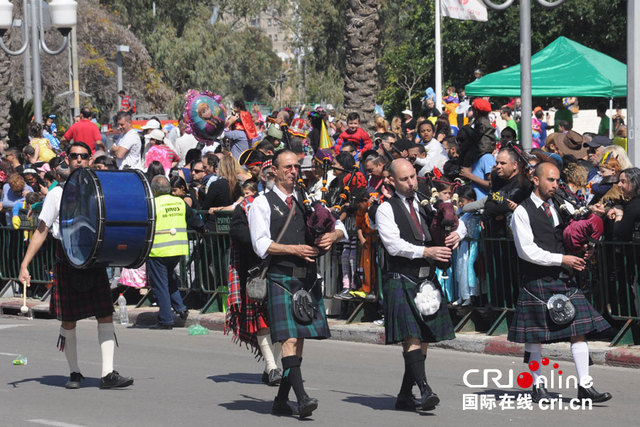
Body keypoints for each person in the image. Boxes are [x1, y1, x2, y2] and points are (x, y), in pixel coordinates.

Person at [18, 141, 133, 390]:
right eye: (74, 156)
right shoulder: (57, 194)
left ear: (90, 159)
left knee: (105, 313)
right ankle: (74, 372)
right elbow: (41, 230)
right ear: (66, 159)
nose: (79, 159)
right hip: (67, 257)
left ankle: (108, 373)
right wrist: (25, 265)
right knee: (69, 319)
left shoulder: (97, 190)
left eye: (83, 156)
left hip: (93, 256)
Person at [248, 150, 346, 418]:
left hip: (307, 278)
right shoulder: (262, 203)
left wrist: (334, 235)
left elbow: (338, 225)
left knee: (299, 341)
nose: (294, 171)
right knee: (290, 339)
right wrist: (295, 249)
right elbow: (261, 245)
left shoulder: (308, 201)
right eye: (288, 167)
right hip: (281, 277)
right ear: (275, 172)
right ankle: (302, 399)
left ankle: (281, 400)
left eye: (296, 167)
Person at [508, 162, 612, 403]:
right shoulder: (522, 212)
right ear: (536, 179)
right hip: (536, 280)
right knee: (535, 337)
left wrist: (581, 249)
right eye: (550, 180)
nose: (555, 185)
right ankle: (537, 385)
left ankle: (585, 385)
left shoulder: (560, 206)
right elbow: (527, 251)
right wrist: (562, 258)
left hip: (563, 279)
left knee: (580, 332)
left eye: (557, 181)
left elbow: (568, 237)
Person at [376, 159, 465, 412]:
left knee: (423, 338)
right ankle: (425, 389)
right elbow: (394, 246)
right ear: (391, 181)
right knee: (412, 337)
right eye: (405, 179)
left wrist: (459, 234)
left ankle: (405, 394)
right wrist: (427, 250)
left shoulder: (426, 203)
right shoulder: (385, 209)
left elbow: (459, 218)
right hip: (401, 278)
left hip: (426, 279)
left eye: (413, 177)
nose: (412, 182)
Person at [226, 184, 283, 387]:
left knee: (281, 323)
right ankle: (272, 367)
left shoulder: (288, 204)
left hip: (284, 269)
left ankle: (273, 367)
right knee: (262, 323)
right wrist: (264, 243)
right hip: (257, 271)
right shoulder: (247, 207)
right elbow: (238, 234)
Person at [146, 176, 204, 329]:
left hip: (158, 251)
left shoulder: (152, 204)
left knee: (160, 285)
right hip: (177, 250)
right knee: (170, 280)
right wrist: (203, 229)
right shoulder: (180, 202)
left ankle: (165, 319)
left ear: (155, 190)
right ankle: (181, 308)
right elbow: (195, 219)